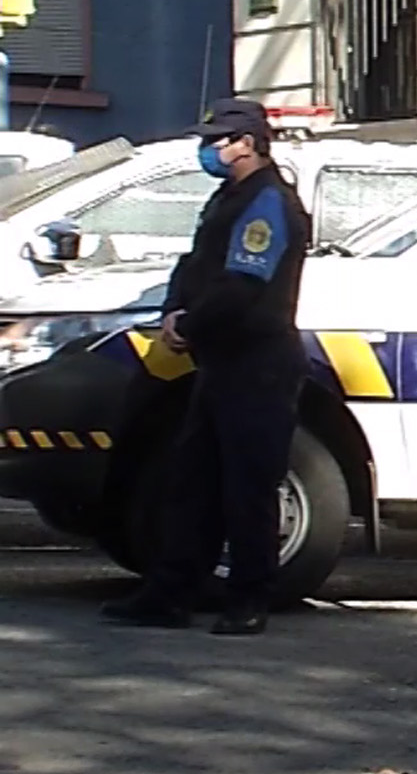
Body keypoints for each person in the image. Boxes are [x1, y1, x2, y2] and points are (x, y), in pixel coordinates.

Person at [101, 98, 312, 636]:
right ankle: (170, 594)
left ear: (248, 144)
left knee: (248, 487)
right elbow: (195, 265)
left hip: (257, 362)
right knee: (193, 483)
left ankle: (249, 599)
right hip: (220, 360)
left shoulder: (269, 203)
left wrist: (191, 325)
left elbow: (243, 283)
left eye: (215, 141)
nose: (206, 150)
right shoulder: (228, 198)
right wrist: (174, 311)